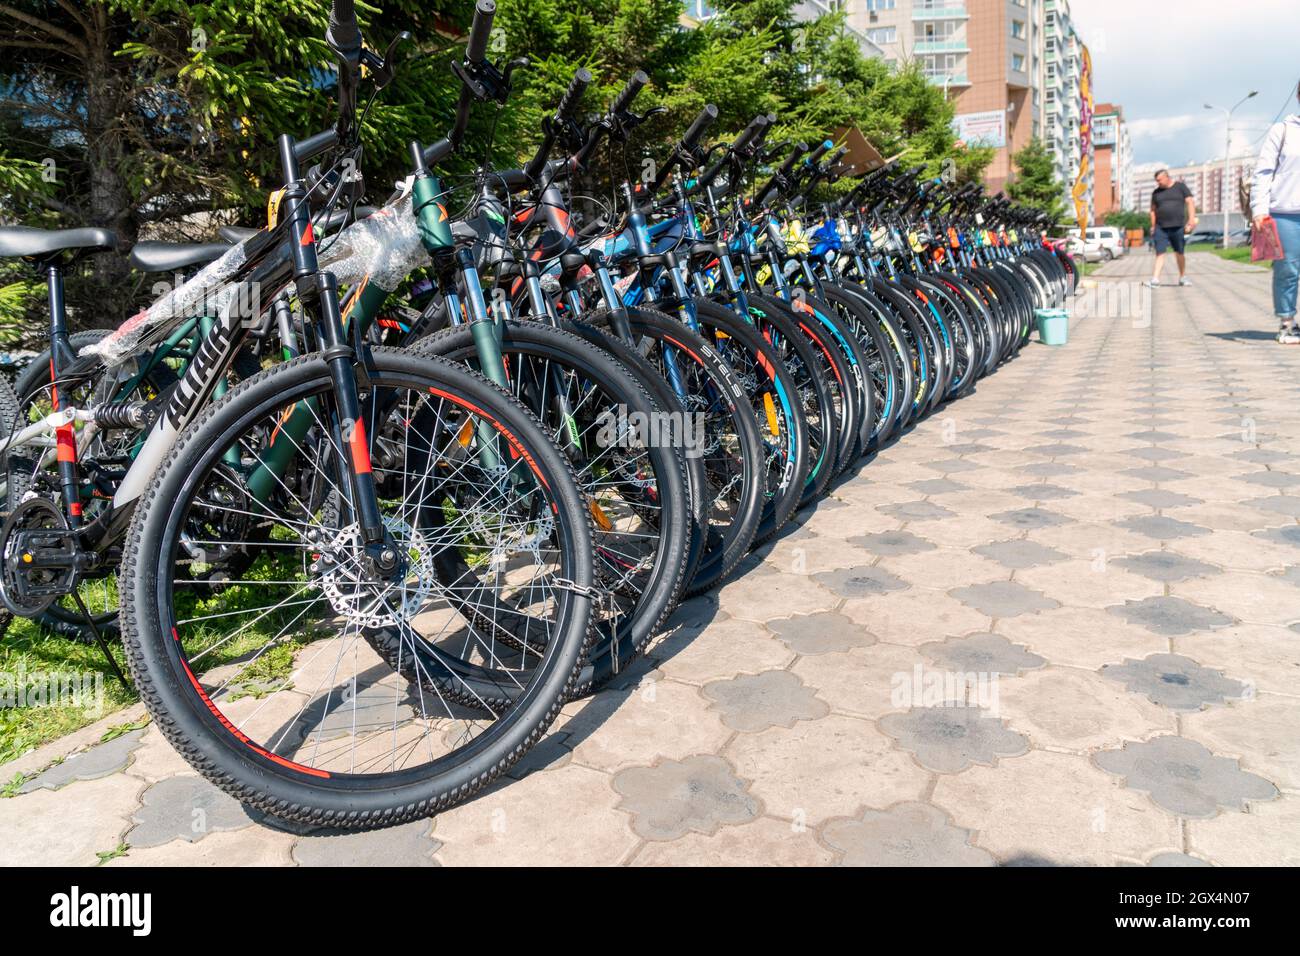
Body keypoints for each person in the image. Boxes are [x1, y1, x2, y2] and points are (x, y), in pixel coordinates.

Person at [1252, 81, 1300, 345]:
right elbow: (1263, 173)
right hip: (1285, 213)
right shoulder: (1282, 131)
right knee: (1288, 270)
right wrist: (1259, 209)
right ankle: (1287, 323)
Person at [1146, 169, 1197, 287]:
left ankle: (1182, 277)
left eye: (1159, 180)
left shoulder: (1180, 187)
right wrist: (1153, 226)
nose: (1158, 183)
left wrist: (1191, 220)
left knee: (1179, 253)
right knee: (1160, 253)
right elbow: (1152, 211)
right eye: (1156, 181)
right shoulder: (1156, 193)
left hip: (1177, 227)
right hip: (1160, 227)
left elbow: (1190, 202)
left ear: (1167, 177)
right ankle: (1155, 280)